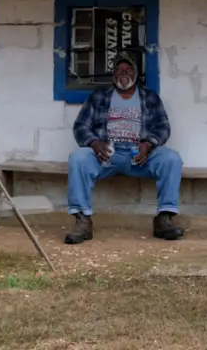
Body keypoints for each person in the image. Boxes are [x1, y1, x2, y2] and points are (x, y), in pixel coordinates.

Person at [65, 49, 184, 243]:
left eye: (128, 69)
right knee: (78, 158)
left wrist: (148, 144)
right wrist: (94, 143)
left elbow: (163, 127)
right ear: (113, 74)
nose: (124, 72)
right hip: (108, 153)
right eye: (119, 69)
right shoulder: (99, 97)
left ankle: (164, 218)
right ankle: (82, 220)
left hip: (140, 154)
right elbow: (80, 126)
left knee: (171, 158)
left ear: (136, 74)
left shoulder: (150, 97)